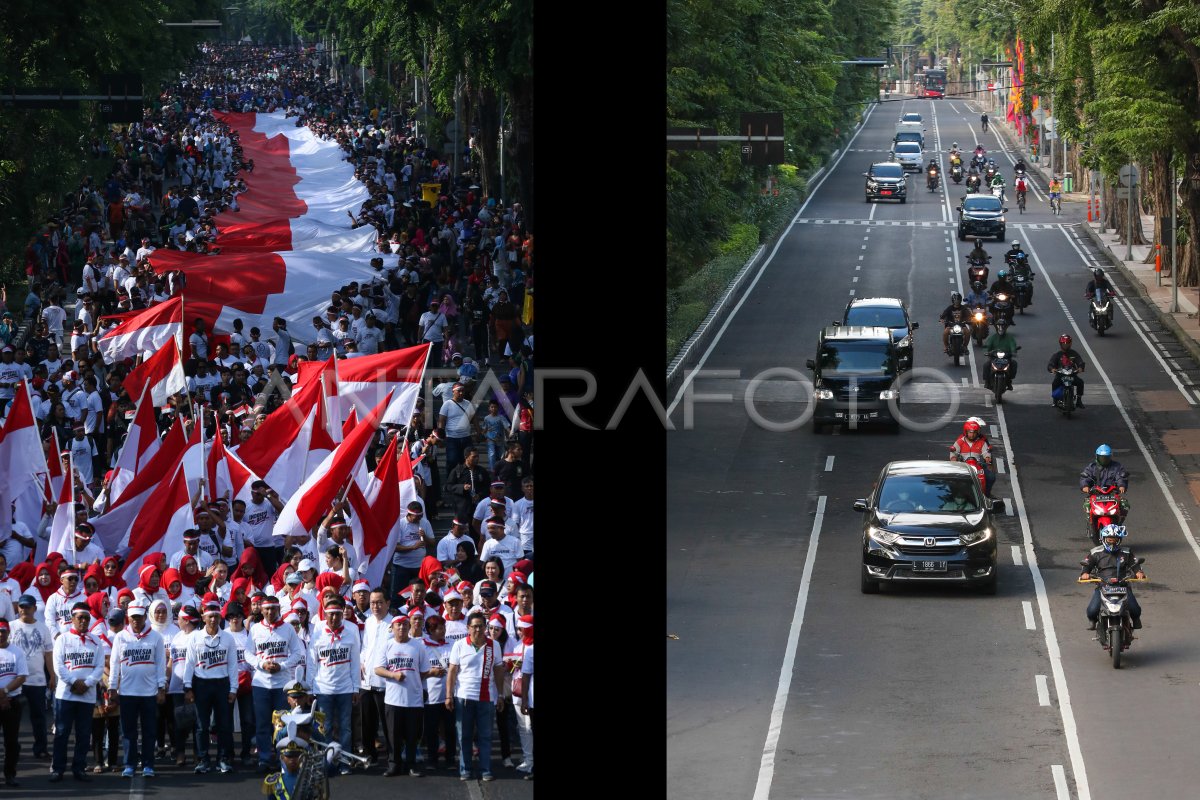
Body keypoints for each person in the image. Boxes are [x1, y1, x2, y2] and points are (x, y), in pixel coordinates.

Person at [247, 595, 306, 772]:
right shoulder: (256, 629)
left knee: (283, 724)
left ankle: (284, 757)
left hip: (283, 684)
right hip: (261, 683)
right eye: (267, 609)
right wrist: (261, 664)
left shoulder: (287, 628)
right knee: (263, 724)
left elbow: (297, 653)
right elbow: (248, 654)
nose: (270, 612)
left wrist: (282, 666)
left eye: (273, 608)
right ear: (261, 610)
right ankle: (264, 757)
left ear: (278, 609)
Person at [446, 610, 505, 782]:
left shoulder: (494, 646)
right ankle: (465, 769)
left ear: (485, 627)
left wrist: (500, 694)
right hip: (464, 697)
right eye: (474, 627)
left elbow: (498, 670)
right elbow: (452, 671)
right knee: (464, 735)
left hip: (487, 698)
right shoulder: (459, 645)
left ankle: (486, 769)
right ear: (468, 628)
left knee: (485, 736)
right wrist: (448, 696)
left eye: (480, 626)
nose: (478, 630)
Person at [108, 603, 166, 778]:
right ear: (128, 617)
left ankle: (148, 764)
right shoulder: (120, 637)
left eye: (139, 616)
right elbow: (114, 663)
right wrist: (112, 687)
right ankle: (130, 764)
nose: (135, 620)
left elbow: (160, 664)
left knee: (149, 731)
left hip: (149, 693)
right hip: (127, 692)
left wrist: (161, 688)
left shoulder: (156, 637)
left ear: (145, 616)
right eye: (133, 617)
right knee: (128, 731)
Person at [51, 601, 105, 782]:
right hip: (65, 694)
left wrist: (88, 683)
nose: (83, 621)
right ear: (72, 618)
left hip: (87, 696)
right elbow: (58, 666)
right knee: (62, 732)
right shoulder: (62, 639)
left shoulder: (95, 641)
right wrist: (74, 682)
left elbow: (99, 667)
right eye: (80, 617)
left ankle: (79, 767)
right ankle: (57, 769)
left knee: (83, 734)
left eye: (86, 618)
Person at [183, 606, 239, 774]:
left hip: (222, 684)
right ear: (203, 617)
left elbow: (233, 665)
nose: (213, 620)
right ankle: (203, 759)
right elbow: (189, 663)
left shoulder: (228, 638)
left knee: (224, 725)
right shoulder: (195, 637)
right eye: (210, 616)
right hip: (202, 684)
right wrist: (188, 686)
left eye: (216, 616)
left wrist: (234, 688)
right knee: (202, 726)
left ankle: (223, 759)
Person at [374, 614, 431, 777]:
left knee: (413, 734)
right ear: (392, 628)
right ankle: (394, 764)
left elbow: (424, 670)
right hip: (393, 698)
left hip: (413, 698)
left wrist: (421, 678)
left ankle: (411, 765)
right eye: (398, 625)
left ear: (409, 627)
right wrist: (393, 675)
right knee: (393, 734)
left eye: (405, 624)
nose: (402, 627)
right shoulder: (386, 646)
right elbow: (378, 669)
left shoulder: (418, 646)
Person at [308, 598, 360, 776]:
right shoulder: (317, 635)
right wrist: (310, 689)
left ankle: (345, 761)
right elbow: (311, 663)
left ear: (342, 614)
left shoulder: (351, 634)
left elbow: (355, 663)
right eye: (331, 614)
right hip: (323, 690)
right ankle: (327, 762)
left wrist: (356, 688)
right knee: (325, 728)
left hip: (345, 689)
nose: (334, 618)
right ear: (325, 614)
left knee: (345, 728)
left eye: (338, 614)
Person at [11, 594, 53, 759]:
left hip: (37, 680)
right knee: (12, 719)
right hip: (15, 681)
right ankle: (13, 750)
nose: (24, 610)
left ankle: (40, 748)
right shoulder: (10, 626)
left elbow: (48, 655)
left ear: (35, 609)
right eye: (21, 607)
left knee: (39, 717)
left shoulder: (43, 628)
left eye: (28, 607)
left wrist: (52, 676)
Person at [1080, 524, 1145, 629]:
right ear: (1103, 539)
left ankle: (1136, 620)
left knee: (1135, 609)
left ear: (1119, 539)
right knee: (1092, 611)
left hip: (1122, 585)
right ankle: (1093, 621)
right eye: (1110, 539)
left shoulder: (1126, 552)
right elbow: (1087, 564)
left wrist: (1139, 572)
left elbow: (1135, 564)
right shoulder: (1095, 552)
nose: (1112, 541)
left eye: (1115, 539)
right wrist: (1085, 574)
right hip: (1103, 586)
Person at [0, 618, 27, 787]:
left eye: (3, 631)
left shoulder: (17, 652)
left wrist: (4, 692)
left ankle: (10, 774)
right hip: (3, 699)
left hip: (12, 701)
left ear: (8, 632)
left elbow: (22, 676)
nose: (0, 634)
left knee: (11, 742)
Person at [1080, 443, 1130, 521]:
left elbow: (1120, 477)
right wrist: (1085, 486)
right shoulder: (1092, 467)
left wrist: (1121, 486)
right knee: (1087, 505)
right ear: (1097, 457)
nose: (1104, 460)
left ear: (1110, 457)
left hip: (1112, 494)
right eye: (1102, 458)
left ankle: (1119, 523)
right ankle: (1090, 524)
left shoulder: (1116, 466)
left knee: (1125, 505)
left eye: (1106, 458)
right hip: (1095, 494)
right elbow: (1085, 478)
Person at [949, 420, 994, 495]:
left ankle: (986, 494)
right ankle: (954, 495)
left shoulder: (982, 442)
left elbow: (987, 453)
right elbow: (953, 452)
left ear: (977, 433)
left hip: (978, 466)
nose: (972, 435)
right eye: (970, 432)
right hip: (963, 466)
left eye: (974, 432)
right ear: (966, 432)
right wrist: (954, 459)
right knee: (951, 479)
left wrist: (987, 458)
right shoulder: (960, 442)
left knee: (991, 477)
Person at [262, 736, 308, 800]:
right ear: (282, 757)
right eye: (289, 756)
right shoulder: (274, 781)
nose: (292, 759)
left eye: (296, 756)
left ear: (302, 757)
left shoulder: (309, 779)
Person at [1048, 333, 1087, 408]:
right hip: (1060, 375)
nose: (1065, 345)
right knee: (1055, 383)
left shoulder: (1074, 353)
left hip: (1072, 375)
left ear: (1070, 344)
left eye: (1067, 344)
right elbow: (1051, 363)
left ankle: (1079, 400)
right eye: (1064, 344)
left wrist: (1080, 367)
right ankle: (1055, 401)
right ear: (1060, 344)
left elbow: (1080, 361)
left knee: (1080, 382)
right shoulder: (1057, 354)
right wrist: (1052, 369)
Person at [982, 319, 1019, 389]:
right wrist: (987, 351)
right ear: (997, 327)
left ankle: (1009, 381)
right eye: (999, 326)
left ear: (1005, 327)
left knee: (1014, 363)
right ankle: (987, 381)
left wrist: (1013, 351)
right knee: (986, 365)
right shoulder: (993, 337)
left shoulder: (1009, 337)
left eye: (1003, 326)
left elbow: (1012, 345)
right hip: (994, 357)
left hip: (1006, 357)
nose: (1001, 328)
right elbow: (988, 345)